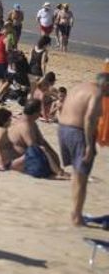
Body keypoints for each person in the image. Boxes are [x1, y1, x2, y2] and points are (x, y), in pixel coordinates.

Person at [58, 73, 108, 226]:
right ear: (106, 85)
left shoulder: (79, 87)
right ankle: (76, 216)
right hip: (78, 132)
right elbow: (89, 118)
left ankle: (75, 211)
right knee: (82, 177)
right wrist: (89, 145)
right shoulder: (97, 92)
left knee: (77, 174)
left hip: (63, 129)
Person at [8, 100, 65, 179]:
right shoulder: (25, 126)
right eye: (39, 111)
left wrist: (55, 157)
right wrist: (56, 167)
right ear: (35, 113)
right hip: (15, 162)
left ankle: (55, 171)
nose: (40, 114)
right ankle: (56, 172)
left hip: (26, 159)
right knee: (40, 152)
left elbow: (42, 142)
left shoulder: (31, 123)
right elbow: (34, 149)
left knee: (43, 151)